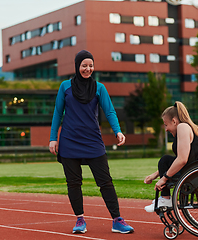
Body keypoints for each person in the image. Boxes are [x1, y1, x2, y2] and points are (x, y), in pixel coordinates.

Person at [49, 50, 134, 234]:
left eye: (90, 65)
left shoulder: (99, 88)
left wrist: (118, 130)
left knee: (105, 182)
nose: (88, 69)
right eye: (84, 65)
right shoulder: (65, 87)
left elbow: (109, 111)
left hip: (93, 140)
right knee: (73, 183)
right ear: (77, 66)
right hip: (69, 141)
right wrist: (53, 138)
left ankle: (117, 220)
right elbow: (57, 113)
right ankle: (80, 220)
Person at [143, 101, 198, 212]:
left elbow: (182, 160)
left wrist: (164, 179)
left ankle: (165, 198)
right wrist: (156, 175)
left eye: (166, 125)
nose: (166, 129)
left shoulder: (182, 127)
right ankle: (164, 199)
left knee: (165, 159)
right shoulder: (189, 127)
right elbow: (179, 160)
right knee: (165, 161)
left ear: (174, 121)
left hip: (196, 171)